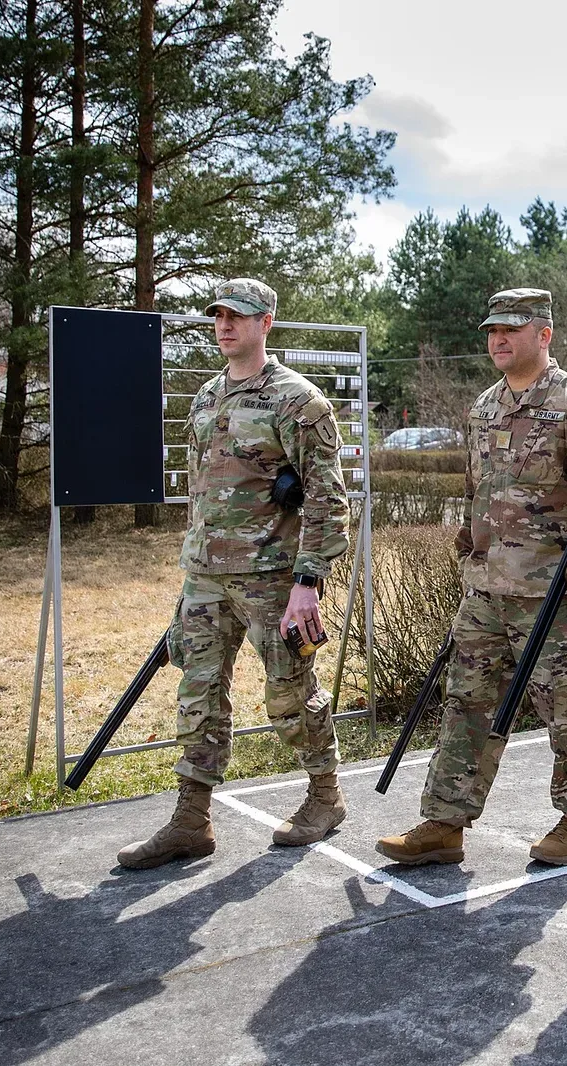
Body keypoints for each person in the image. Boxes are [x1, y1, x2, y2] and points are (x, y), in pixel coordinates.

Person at [375, 288, 567, 867]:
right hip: (486, 590)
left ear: (545, 334)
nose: (498, 340)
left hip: (555, 595)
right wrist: (467, 557)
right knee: (466, 702)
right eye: (492, 331)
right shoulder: (483, 407)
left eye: (512, 329)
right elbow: (475, 493)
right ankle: (445, 821)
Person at [118, 278, 351, 869]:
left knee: (289, 694)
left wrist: (308, 582)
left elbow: (328, 499)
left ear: (266, 323)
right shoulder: (205, 397)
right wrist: (192, 567)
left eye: (238, 317)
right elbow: (204, 492)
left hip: (272, 578)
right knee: (197, 692)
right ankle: (190, 821)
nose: (225, 325)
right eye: (218, 315)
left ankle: (325, 797)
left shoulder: (299, 402)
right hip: (204, 577)